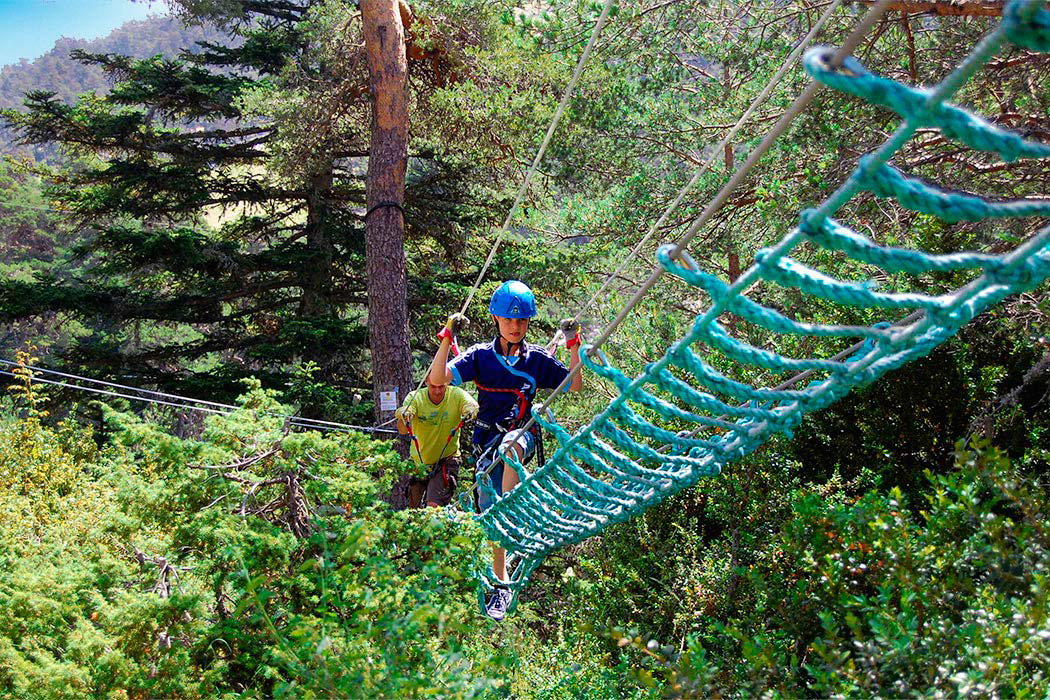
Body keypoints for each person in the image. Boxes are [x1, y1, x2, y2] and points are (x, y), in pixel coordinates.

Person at [429, 280, 583, 620]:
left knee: (509, 459)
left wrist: (574, 345)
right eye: (508, 320)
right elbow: (437, 379)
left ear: (527, 323)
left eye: (521, 321)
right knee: (491, 522)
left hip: (519, 438)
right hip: (485, 445)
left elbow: (574, 384)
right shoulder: (481, 357)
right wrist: (447, 337)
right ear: (496, 320)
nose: (514, 327)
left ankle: (510, 507)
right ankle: (498, 585)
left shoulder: (538, 360)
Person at [395, 375, 478, 508]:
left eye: (442, 386)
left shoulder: (456, 395)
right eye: (433, 386)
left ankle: (435, 526)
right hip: (419, 462)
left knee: (434, 506)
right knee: (413, 508)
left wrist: (470, 410)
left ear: (448, 382)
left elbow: (471, 404)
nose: (437, 391)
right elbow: (403, 430)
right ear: (426, 381)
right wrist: (405, 416)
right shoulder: (415, 397)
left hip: (447, 459)